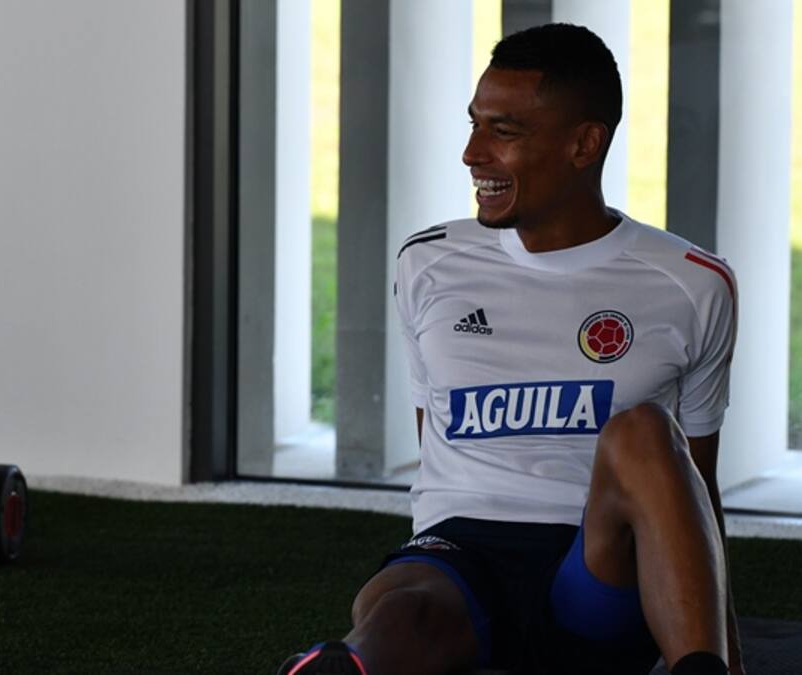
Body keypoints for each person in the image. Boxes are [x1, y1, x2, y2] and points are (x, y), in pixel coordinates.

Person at [281, 23, 743, 675]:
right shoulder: (428, 263)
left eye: (503, 132)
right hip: (457, 558)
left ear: (584, 144)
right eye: (474, 125)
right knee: (401, 609)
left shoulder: (692, 284)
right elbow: (438, 453)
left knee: (643, 431)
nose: (471, 154)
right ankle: (344, 666)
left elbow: (695, 490)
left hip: (599, 566)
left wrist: (727, 653)